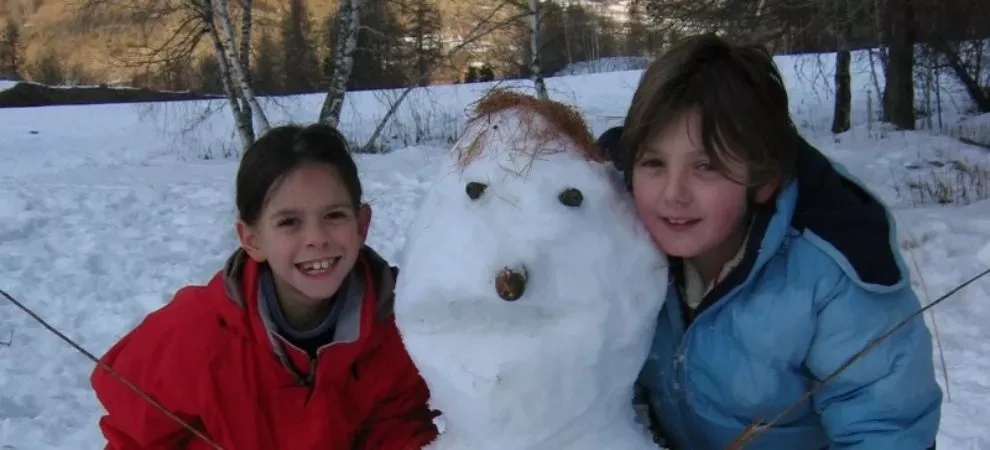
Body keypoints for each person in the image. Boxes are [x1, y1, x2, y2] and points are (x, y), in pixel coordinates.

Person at [599, 34, 942, 450]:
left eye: (706, 166)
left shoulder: (831, 272)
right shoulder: (613, 234)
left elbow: (886, 431)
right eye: (653, 163)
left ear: (764, 180)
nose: (673, 193)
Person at [91, 124, 439, 450]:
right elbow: (132, 440)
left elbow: (404, 431)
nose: (316, 239)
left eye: (334, 215)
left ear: (361, 225)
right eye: (289, 222)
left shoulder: (403, 330)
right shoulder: (193, 335)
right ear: (252, 239)